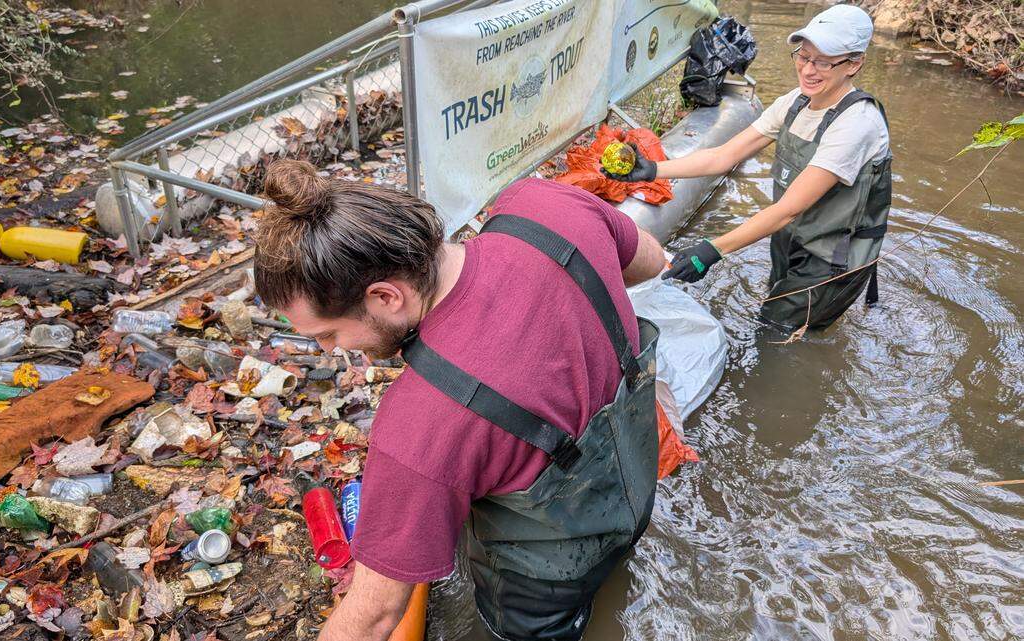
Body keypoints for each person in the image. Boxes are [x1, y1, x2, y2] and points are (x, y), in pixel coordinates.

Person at [253, 158, 669, 641]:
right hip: (637, 487)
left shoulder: (420, 425)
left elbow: (373, 617)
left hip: (543, 586)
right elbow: (652, 259)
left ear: (386, 296)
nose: (331, 351)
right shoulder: (543, 203)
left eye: (327, 334)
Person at [608, 4, 891, 331]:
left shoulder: (856, 125)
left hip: (832, 259)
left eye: (824, 62)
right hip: (792, 239)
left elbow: (787, 209)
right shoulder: (795, 103)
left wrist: (711, 250)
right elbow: (724, 155)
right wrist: (654, 170)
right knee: (773, 313)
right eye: (803, 56)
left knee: (775, 333)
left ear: (854, 64)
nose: (809, 70)